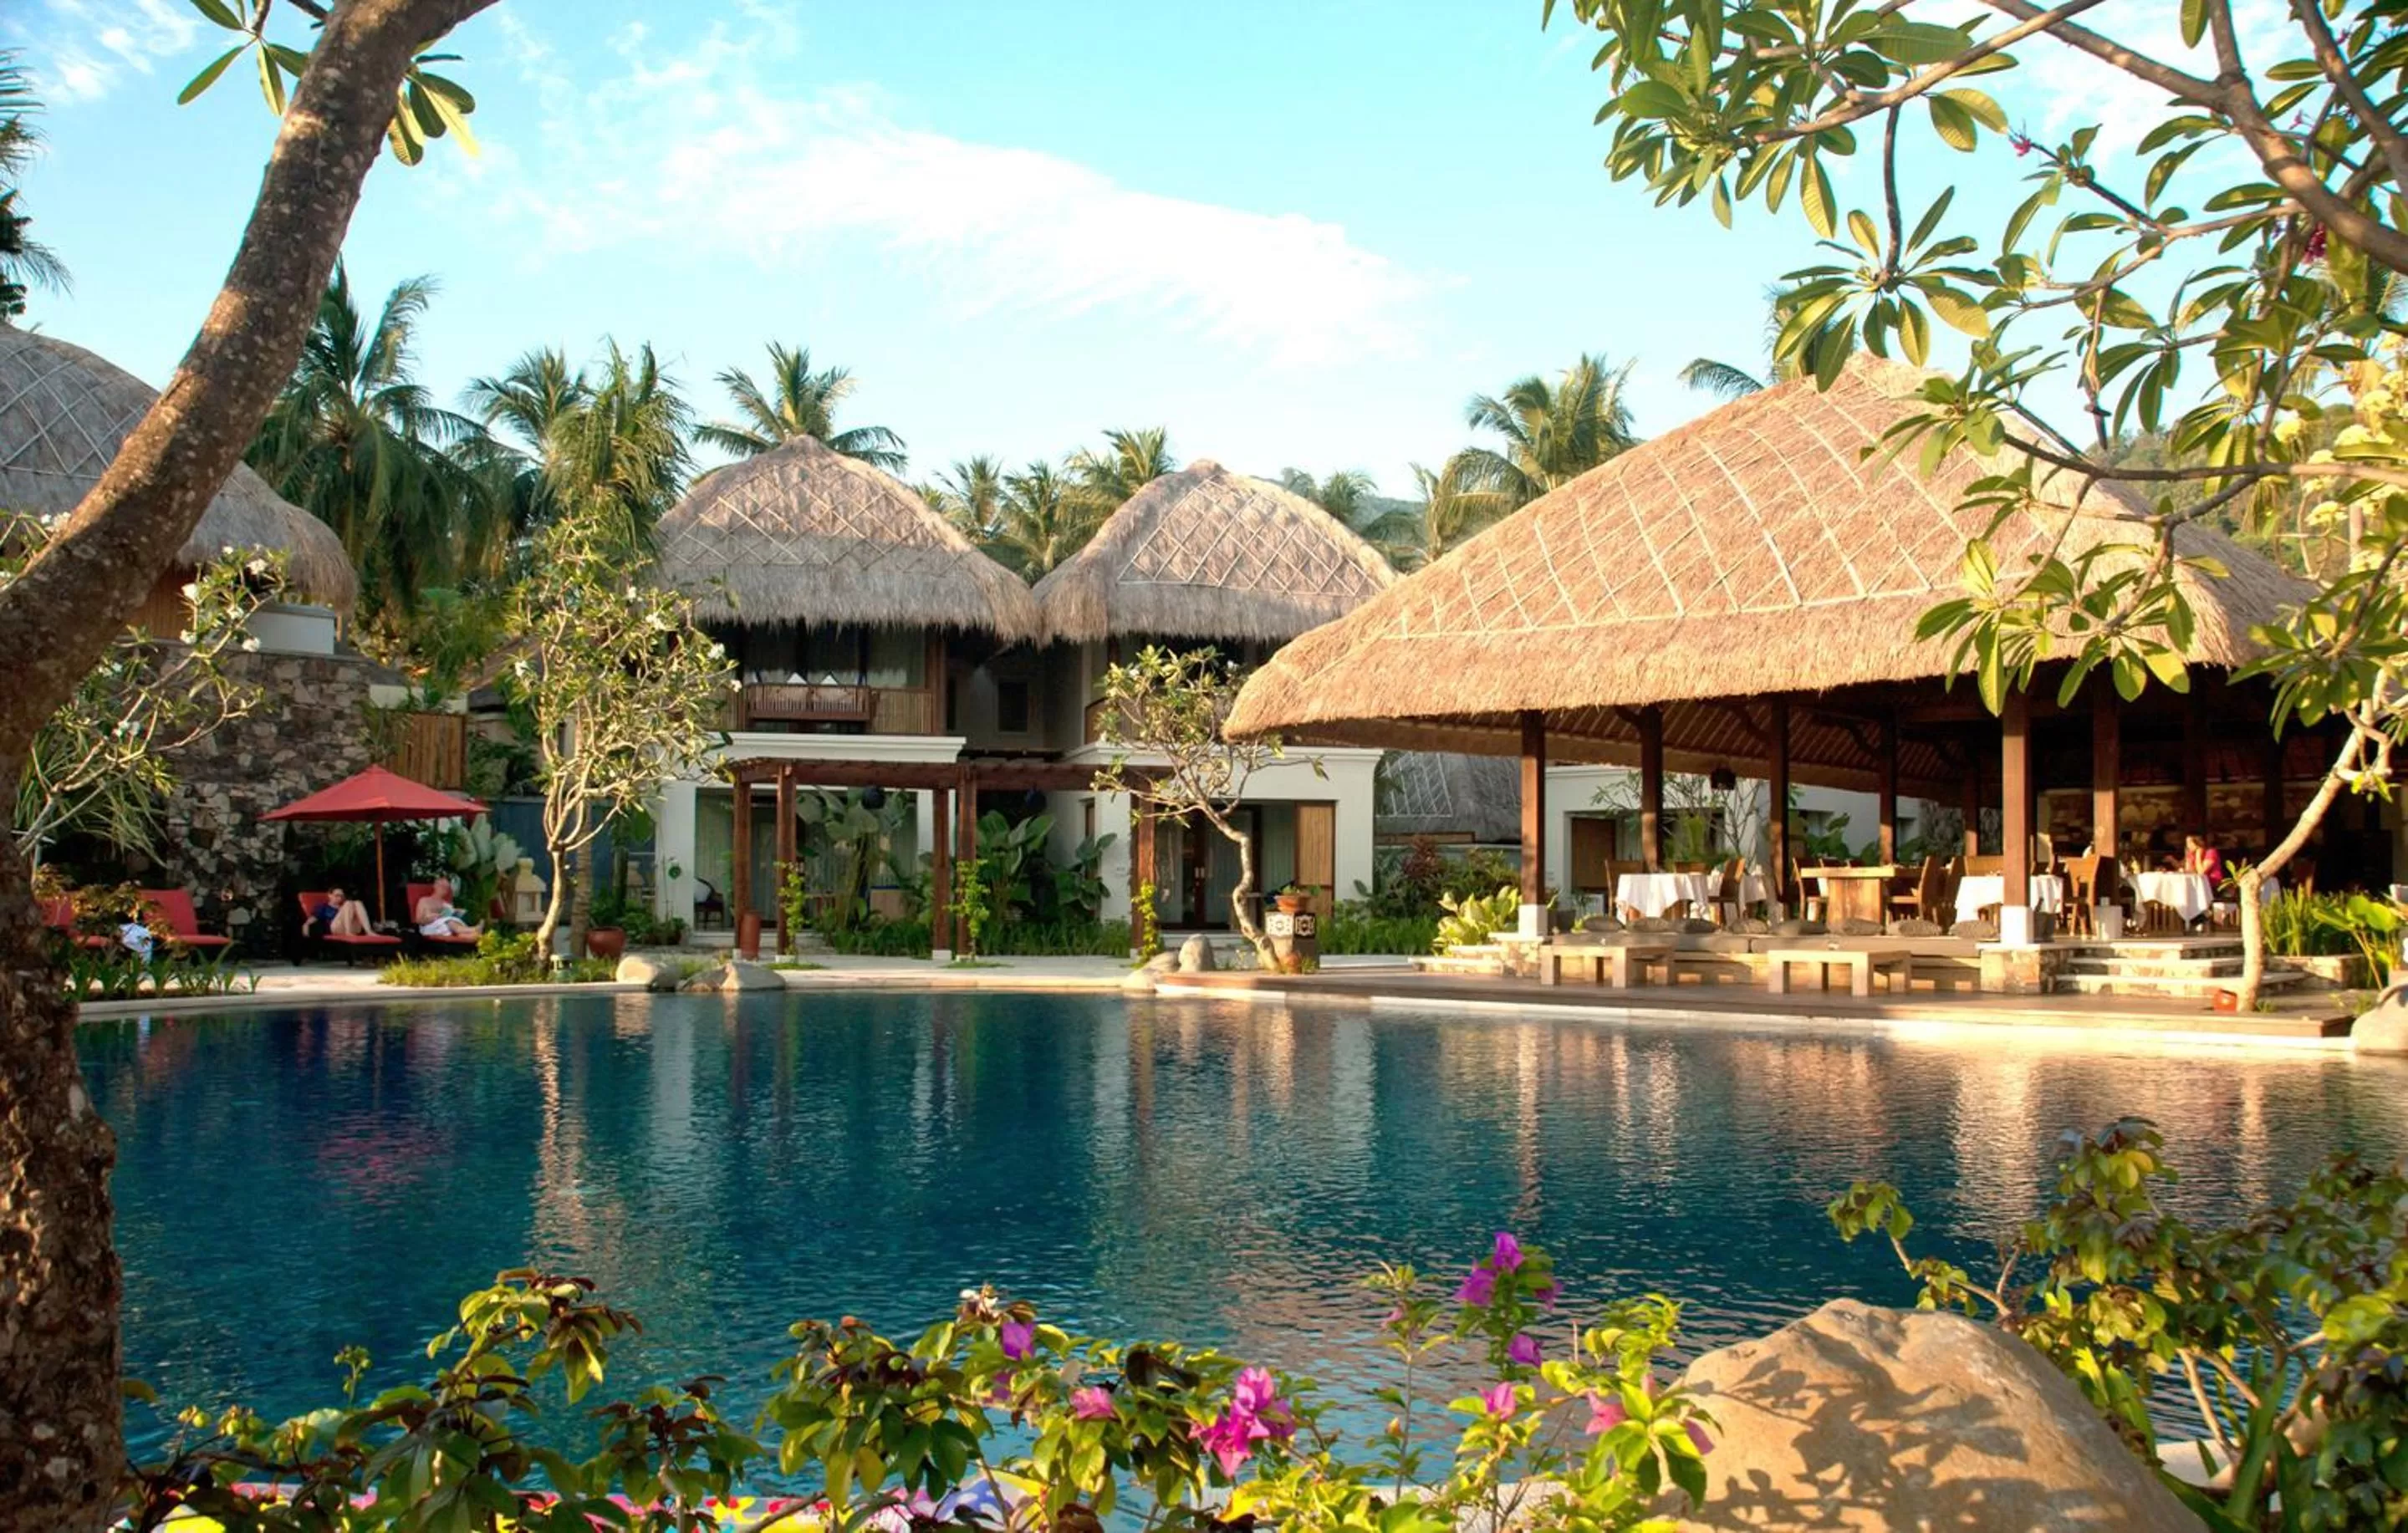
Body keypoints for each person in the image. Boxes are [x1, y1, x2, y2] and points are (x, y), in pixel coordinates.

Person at [414, 876, 482, 940]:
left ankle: (478, 936)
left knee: (457, 929)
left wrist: (457, 912)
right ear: (435, 885)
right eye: (442, 886)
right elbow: (418, 920)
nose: (444, 890)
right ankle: (474, 929)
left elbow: (451, 915)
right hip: (429, 927)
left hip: (446, 927)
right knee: (449, 921)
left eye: (446, 888)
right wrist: (430, 918)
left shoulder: (447, 904)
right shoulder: (424, 900)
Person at [306, 887, 375, 938]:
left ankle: (369, 931)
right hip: (336, 928)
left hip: (354, 928)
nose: (339, 898)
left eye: (341, 896)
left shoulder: (346, 907)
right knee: (349, 903)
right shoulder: (324, 907)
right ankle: (348, 932)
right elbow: (313, 918)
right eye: (337, 895)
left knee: (358, 903)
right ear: (330, 895)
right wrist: (306, 925)